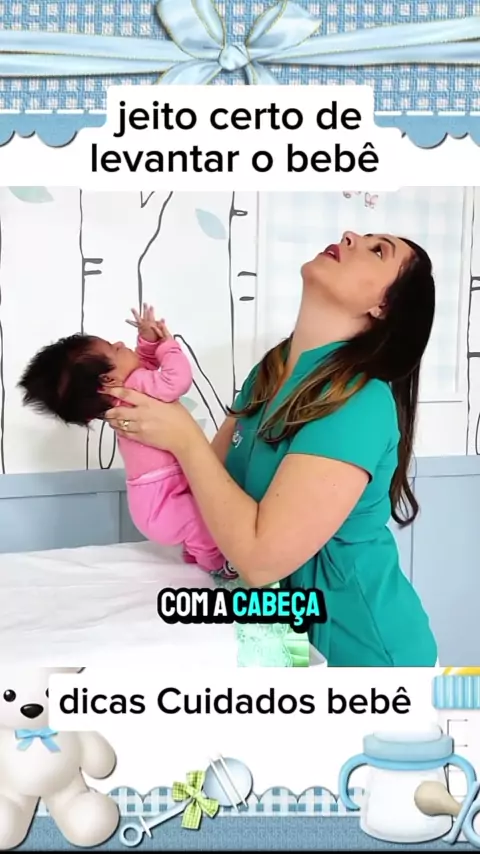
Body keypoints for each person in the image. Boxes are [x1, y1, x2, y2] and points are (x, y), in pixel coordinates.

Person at [105, 231, 439, 667]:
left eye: (378, 251)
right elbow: (209, 492)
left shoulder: (359, 402)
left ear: (383, 306)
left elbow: (260, 560)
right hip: (285, 646)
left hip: (365, 660)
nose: (349, 236)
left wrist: (183, 436)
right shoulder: (271, 371)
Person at [18, 306, 229, 574]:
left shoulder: (128, 390)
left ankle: (196, 553)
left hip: (154, 502)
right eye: (114, 349)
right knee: (198, 521)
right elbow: (177, 380)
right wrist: (167, 346)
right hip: (161, 500)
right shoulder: (136, 385)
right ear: (108, 380)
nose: (120, 343)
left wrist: (148, 342)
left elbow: (145, 368)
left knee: (195, 521)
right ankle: (217, 565)